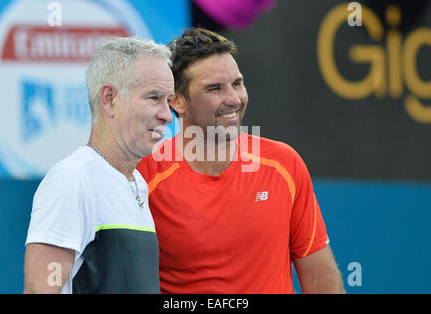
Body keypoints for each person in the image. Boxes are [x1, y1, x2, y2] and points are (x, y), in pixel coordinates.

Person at [136, 28, 345, 293]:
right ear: (176, 100)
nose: (234, 100)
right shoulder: (143, 175)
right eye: (215, 88)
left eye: (237, 83)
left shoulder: (284, 164)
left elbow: (319, 279)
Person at [24, 36, 174, 293]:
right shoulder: (72, 179)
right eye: (153, 97)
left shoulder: (136, 183)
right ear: (109, 98)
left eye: (168, 100)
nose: (167, 115)